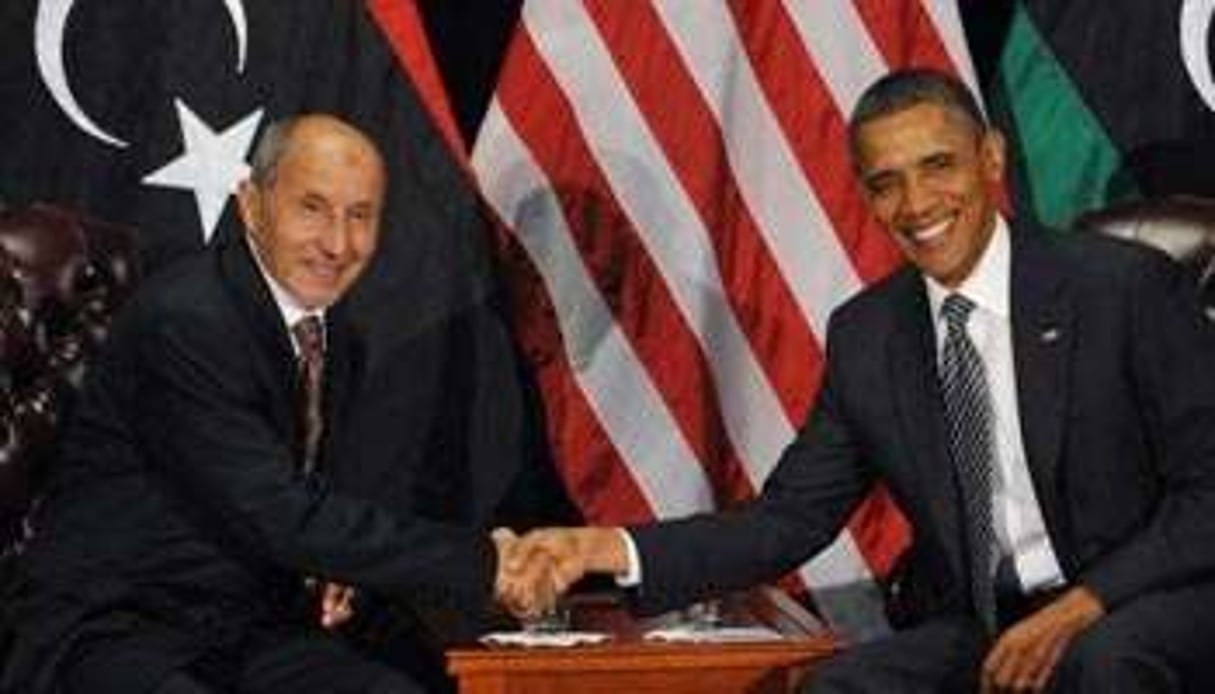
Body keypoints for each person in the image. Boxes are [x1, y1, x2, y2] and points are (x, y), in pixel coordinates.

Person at [511, 69, 1215, 692]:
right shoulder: (869, 335)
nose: (916, 204)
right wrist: (604, 548)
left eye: (937, 166)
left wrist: (1085, 603)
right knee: (842, 683)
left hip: (1142, 598)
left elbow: (1208, 489)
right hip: (988, 621)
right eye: (886, 183)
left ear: (990, 158)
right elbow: (788, 519)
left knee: (1104, 665)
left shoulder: (1119, 289)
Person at [2, 114, 548, 694]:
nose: (338, 243)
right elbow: (279, 513)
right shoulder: (188, 321)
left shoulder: (339, 333)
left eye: (360, 215)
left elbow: (310, 503)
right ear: (252, 206)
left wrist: (339, 570)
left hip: (242, 628)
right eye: (312, 208)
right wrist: (483, 563)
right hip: (116, 626)